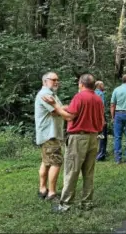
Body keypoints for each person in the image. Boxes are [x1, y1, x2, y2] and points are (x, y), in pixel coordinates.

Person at [43, 74, 104, 212]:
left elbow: (70, 115)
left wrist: (55, 106)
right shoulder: (98, 99)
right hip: (94, 138)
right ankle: (87, 203)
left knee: (72, 171)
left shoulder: (79, 97)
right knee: (88, 172)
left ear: (81, 84)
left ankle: (65, 205)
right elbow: (101, 122)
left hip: (78, 138)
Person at [34, 72, 64, 201]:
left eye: (57, 80)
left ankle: (42, 189)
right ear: (45, 81)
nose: (57, 82)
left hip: (47, 134)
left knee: (46, 162)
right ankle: (51, 193)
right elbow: (57, 112)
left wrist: (65, 109)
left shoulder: (51, 95)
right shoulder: (45, 95)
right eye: (53, 80)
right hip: (49, 135)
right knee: (56, 162)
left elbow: (60, 109)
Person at [95, 80, 109, 161]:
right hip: (100, 116)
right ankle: (101, 155)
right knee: (103, 135)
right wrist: (103, 119)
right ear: (99, 86)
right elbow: (101, 106)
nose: (104, 86)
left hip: (92, 116)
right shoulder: (100, 94)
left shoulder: (92, 93)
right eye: (103, 85)